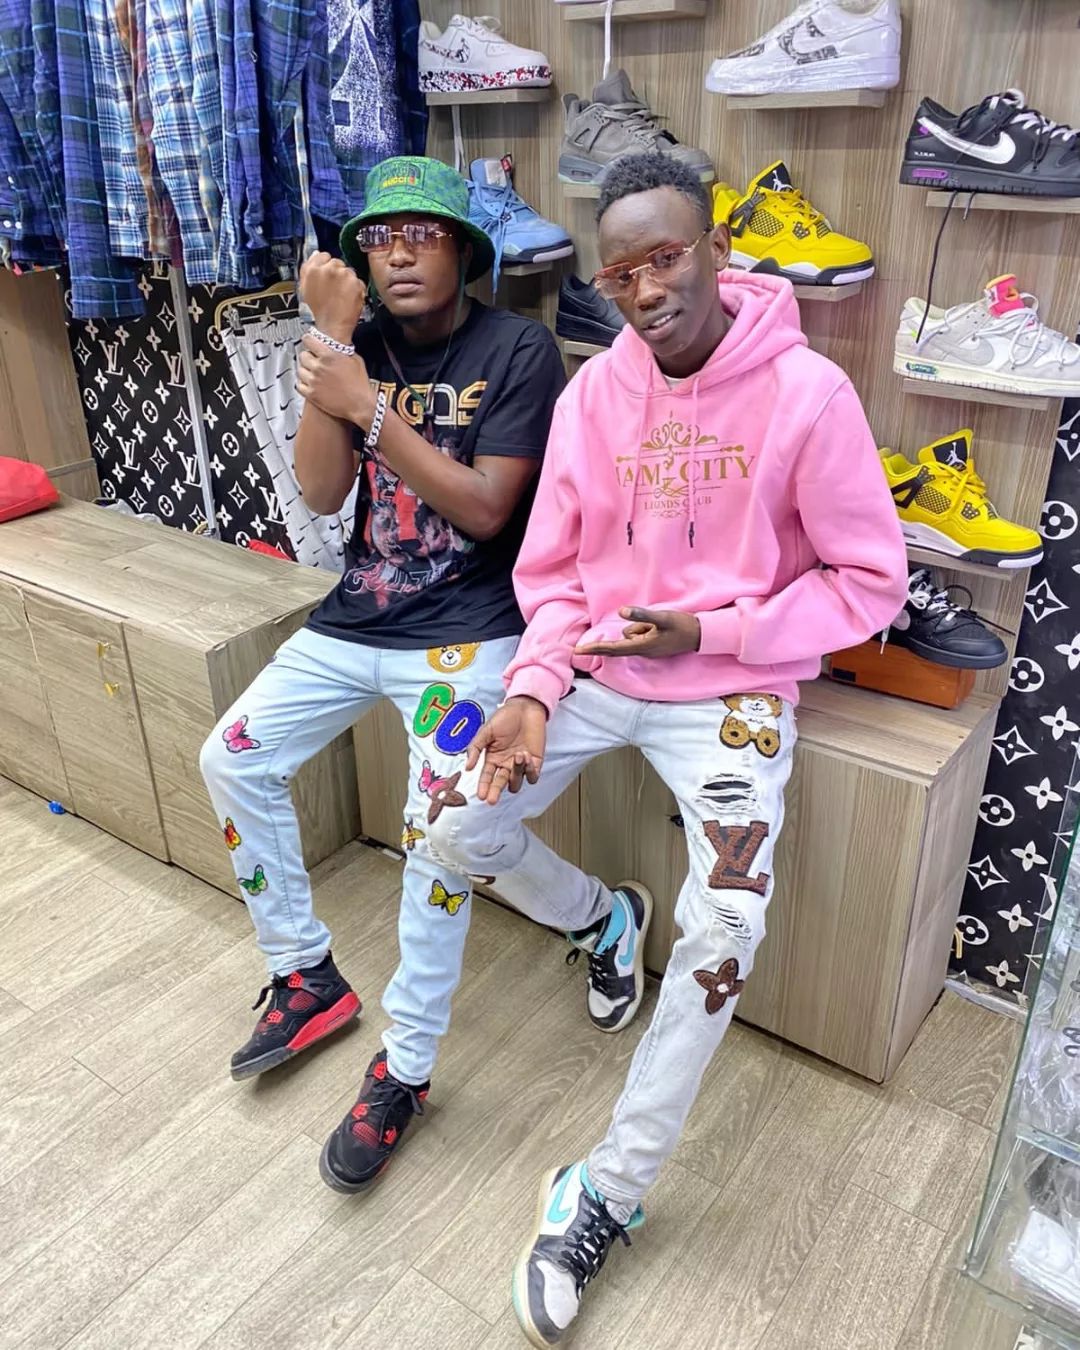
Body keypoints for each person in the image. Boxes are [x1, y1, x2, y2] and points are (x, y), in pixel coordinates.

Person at [426, 153, 909, 1346]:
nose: (644, 290)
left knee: (727, 929)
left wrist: (718, 629)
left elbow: (870, 582)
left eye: (666, 258)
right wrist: (534, 689)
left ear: (717, 251)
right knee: (447, 820)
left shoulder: (807, 393)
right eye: (621, 272)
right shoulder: (595, 396)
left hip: (732, 689)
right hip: (597, 667)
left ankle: (606, 1190)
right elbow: (551, 572)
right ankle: (600, 920)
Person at [199, 155, 566, 1193]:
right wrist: (328, 343)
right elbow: (321, 496)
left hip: (466, 636)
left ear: (464, 249)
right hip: (356, 617)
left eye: (423, 233)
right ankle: (304, 973)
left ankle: (405, 1068)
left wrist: (370, 406)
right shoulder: (349, 346)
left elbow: (486, 509)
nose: (398, 253)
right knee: (231, 758)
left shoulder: (519, 348)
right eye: (379, 236)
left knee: (436, 835)